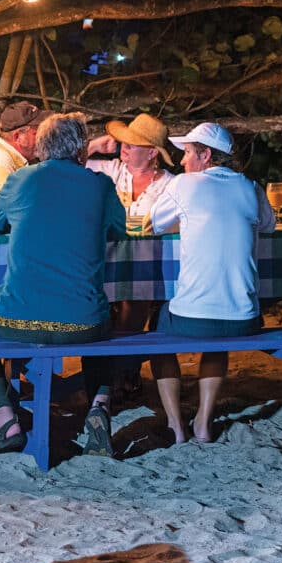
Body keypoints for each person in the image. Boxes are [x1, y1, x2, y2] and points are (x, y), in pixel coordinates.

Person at [0, 112, 127, 456]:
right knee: (102, 320)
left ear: (40, 146)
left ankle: (5, 419)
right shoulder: (100, 185)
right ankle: (98, 405)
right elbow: (118, 230)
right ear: (82, 150)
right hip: (85, 323)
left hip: (17, 317)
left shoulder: (22, 179)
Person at [146, 122, 275, 443]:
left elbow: (154, 225)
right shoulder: (251, 186)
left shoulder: (184, 185)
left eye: (188, 153)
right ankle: (203, 422)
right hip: (245, 319)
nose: (182, 161)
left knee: (156, 331)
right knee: (221, 316)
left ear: (206, 155)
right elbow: (270, 226)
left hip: (197, 318)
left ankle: (176, 425)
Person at [82, 114, 176, 413]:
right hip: (105, 257)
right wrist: (96, 145)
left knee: (135, 299)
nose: (123, 146)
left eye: (132, 143)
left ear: (151, 153)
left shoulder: (170, 185)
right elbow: (64, 163)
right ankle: (118, 373)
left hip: (147, 261)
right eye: (123, 140)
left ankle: (122, 373)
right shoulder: (111, 169)